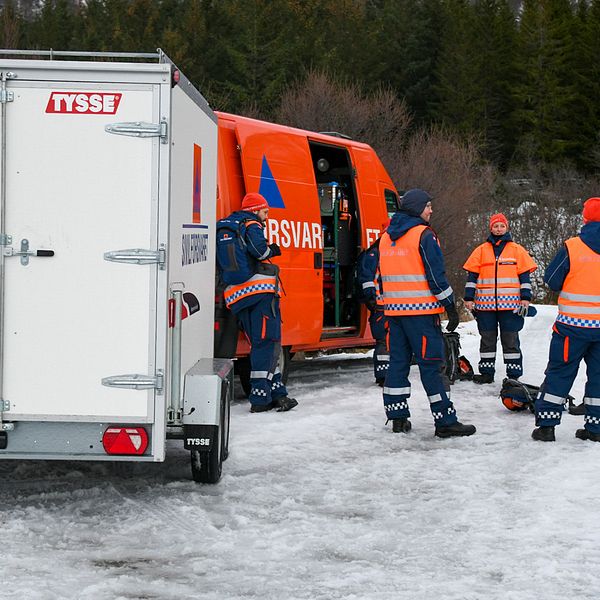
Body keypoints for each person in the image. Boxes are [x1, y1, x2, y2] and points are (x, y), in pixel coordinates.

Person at [378, 188, 476, 437]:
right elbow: (435, 275)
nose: (431, 210)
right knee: (432, 365)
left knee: (397, 364)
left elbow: (380, 277)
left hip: (394, 313)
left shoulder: (385, 237)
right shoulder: (424, 235)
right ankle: (445, 421)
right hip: (421, 314)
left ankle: (397, 418)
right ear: (417, 208)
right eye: (428, 206)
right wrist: (450, 306)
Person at [216, 192, 298, 413]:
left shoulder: (226, 226)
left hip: (237, 298)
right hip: (260, 295)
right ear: (255, 211)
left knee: (263, 345)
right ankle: (260, 398)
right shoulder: (252, 224)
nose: (266, 216)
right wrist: (274, 250)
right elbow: (260, 252)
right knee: (268, 342)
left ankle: (278, 393)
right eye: (265, 211)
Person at [532, 197, 600, 442]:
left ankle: (547, 426)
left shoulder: (572, 246)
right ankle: (595, 428)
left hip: (572, 326)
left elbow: (551, 280)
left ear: (585, 218)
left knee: (560, 373)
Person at [463, 213, 537, 384]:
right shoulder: (480, 250)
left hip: (511, 306)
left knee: (510, 340)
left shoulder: (517, 250)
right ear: (491, 228)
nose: (499, 229)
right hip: (485, 306)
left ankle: (514, 375)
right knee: (487, 339)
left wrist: (525, 298)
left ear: (507, 227)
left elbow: (525, 278)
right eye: (495, 226)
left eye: (502, 226)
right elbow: (472, 277)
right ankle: (487, 373)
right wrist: (468, 298)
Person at [357, 221, 390, 386]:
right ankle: (383, 375)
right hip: (380, 305)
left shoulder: (385, 252)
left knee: (389, 341)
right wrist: (371, 299)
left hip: (390, 305)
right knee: (383, 341)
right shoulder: (374, 254)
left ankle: (387, 373)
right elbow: (367, 278)